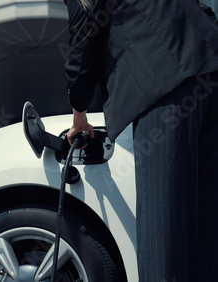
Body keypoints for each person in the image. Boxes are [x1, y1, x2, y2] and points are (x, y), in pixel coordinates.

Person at [63, 0, 218, 281]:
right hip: (209, 61)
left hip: (162, 76)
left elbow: (84, 37)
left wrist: (79, 115)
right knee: (206, 235)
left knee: (163, 234)